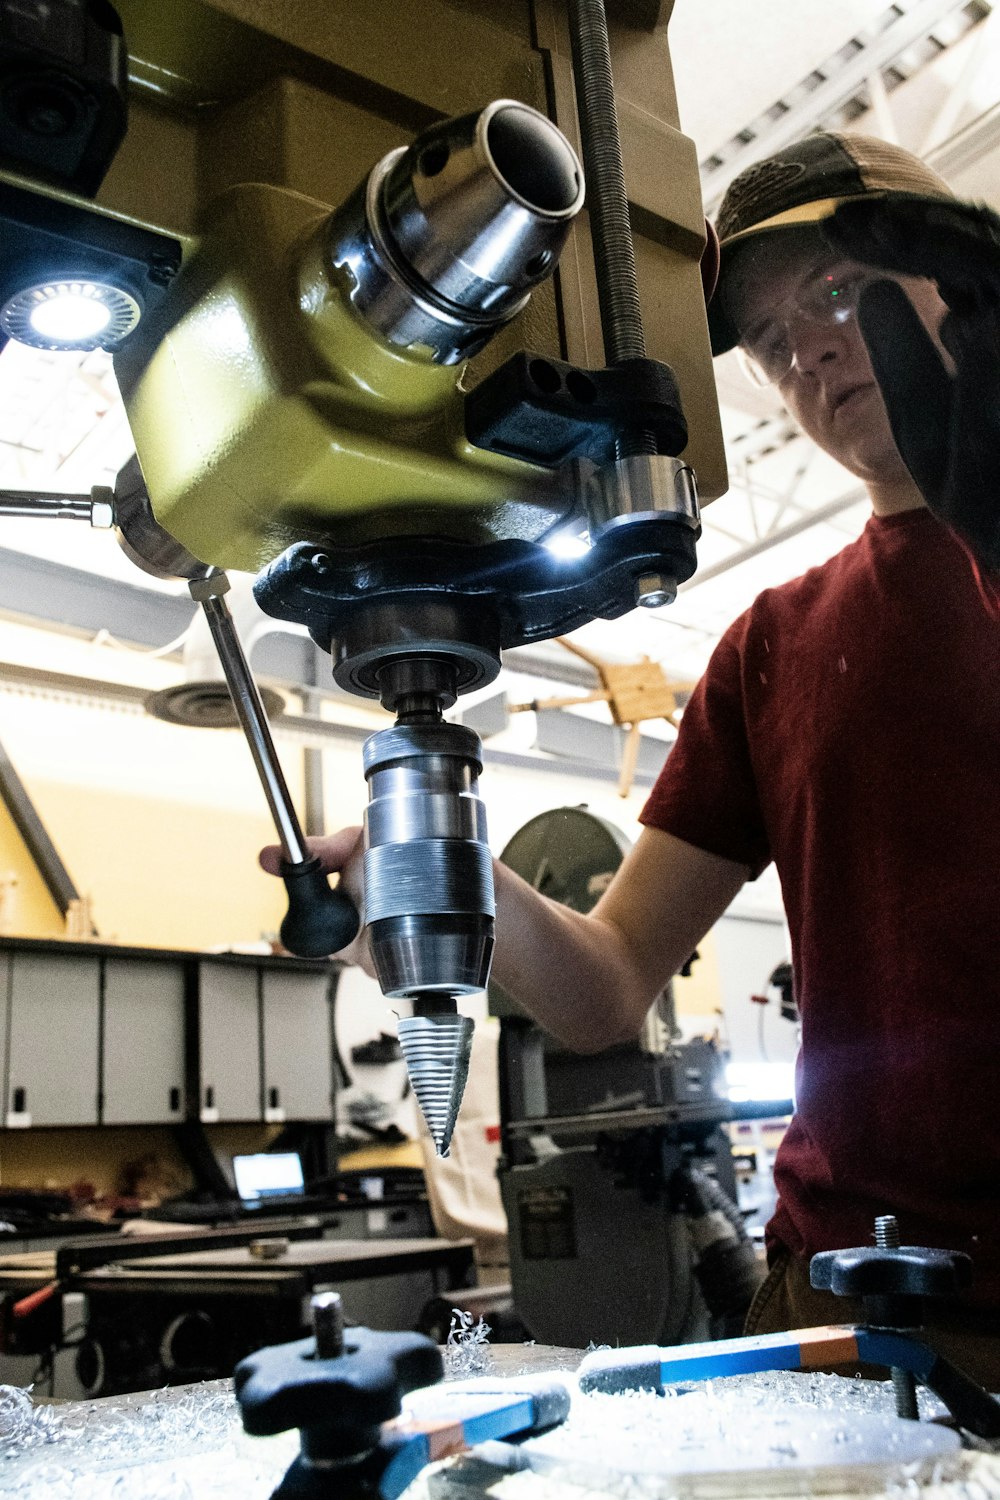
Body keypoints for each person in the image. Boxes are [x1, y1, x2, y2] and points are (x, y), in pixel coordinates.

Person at [261, 133, 1000, 1382]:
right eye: (768, 340)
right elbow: (607, 987)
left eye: (832, 292)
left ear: (957, 281)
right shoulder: (772, 645)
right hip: (837, 1293)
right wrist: (453, 880)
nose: (807, 352)